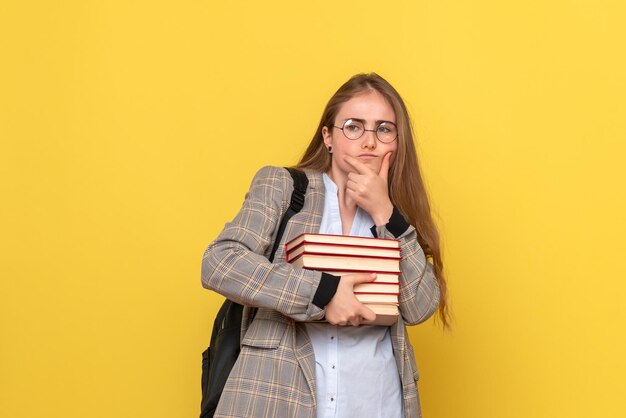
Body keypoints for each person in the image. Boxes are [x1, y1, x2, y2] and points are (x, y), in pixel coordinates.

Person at [201, 73, 448, 418]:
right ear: (328, 137)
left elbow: (420, 308)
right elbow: (221, 262)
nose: (369, 141)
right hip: (277, 397)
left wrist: (385, 213)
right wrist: (324, 291)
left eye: (384, 129)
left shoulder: (397, 216)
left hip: (374, 401)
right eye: (353, 126)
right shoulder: (285, 187)